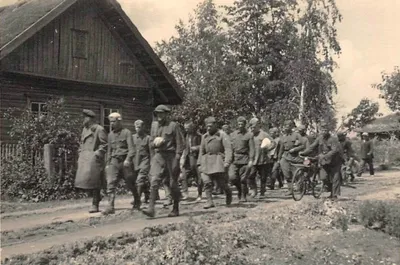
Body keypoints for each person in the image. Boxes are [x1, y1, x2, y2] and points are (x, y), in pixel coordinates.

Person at [143, 105, 185, 218]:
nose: (159, 116)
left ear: (167, 114)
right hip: (159, 155)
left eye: (162, 113)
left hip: (171, 156)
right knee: (154, 179)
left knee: (173, 183)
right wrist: (155, 143)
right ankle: (151, 209)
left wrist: (177, 158)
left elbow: (180, 143)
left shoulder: (173, 126)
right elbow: (150, 143)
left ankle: (175, 208)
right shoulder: (154, 126)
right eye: (157, 114)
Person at [103, 113, 138, 215]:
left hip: (125, 161)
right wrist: (107, 163)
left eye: (114, 121)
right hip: (114, 161)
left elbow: (132, 149)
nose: (112, 124)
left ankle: (137, 200)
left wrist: (128, 160)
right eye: (111, 122)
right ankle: (110, 206)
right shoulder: (110, 135)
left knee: (130, 183)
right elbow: (109, 151)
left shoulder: (127, 133)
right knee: (110, 182)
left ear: (119, 121)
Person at [75, 109, 108, 213]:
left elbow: (105, 144)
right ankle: (99, 196)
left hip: (94, 159)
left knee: (95, 182)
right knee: (84, 182)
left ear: (90, 118)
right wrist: (80, 152)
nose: (83, 120)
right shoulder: (85, 129)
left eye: (84, 117)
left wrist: (98, 153)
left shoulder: (99, 129)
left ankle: (95, 204)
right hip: (85, 158)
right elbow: (81, 142)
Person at [300, 121, 342, 199]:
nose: (323, 132)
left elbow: (334, 150)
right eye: (322, 130)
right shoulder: (320, 138)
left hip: (335, 161)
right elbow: (312, 147)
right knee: (323, 177)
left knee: (335, 178)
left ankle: (334, 195)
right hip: (325, 161)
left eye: (325, 130)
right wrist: (303, 153)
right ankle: (330, 189)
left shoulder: (333, 139)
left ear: (328, 130)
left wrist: (325, 156)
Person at [198, 117, 233, 208]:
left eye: (210, 126)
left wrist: (227, 161)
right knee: (207, 182)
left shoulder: (222, 135)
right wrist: (199, 163)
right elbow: (201, 151)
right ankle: (210, 201)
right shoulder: (204, 136)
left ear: (215, 125)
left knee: (221, 183)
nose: (208, 128)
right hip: (206, 161)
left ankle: (228, 193)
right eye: (207, 126)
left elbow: (228, 149)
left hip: (218, 161)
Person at [229, 116, 255, 202]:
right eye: (239, 124)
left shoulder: (249, 135)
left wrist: (251, 160)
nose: (240, 125)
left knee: (243, 179)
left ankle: (243, 195)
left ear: (245, 125)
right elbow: (230, 148)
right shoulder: (233, 135)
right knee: (232, 177)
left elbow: (251, 148)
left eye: (242, 124)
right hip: (234, 159)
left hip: (245, 159)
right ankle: (240, 190)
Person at [248, 118, 275, 198]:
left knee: (263, 177)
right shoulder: (249, 134)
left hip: (263, 159)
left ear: (258, 126)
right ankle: (254, 190)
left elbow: (273, 143)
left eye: (254, 127)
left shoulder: (264, 134)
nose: (252, 129)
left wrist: (268, 148)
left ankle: (262, 191)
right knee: (250, 175)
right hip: (252, 159)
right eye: (251, 127)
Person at [278, 120, 306, 196]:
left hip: (295, 156)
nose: (286, 127)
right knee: (286, 174)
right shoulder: (283, 136)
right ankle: (290, 190)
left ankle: (301, 188)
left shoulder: (297, 135)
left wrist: (295, 149)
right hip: (285, 156)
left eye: (288, 125)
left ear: (291, 126)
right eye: (285, 125)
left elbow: (303, 145)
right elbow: (281, 148)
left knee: (297, 174)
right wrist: (279, 159)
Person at [180, 120, 203, 201]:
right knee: (184, 176)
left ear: (192, 128)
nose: (186, 130)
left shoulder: (198, 136)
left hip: (196, 158)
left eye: (188, 128)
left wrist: (196, 148)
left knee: (198, 177)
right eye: (185, 128)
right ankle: (185, 194)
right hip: (187, 158)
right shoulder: (185, 136)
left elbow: (203, 146)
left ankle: (199, 194)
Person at [132, 120, 151, 206]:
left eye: (139, 127)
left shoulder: (148, 138)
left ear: (143, 127)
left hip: (145, 161)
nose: (137, 129)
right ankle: (147, 195)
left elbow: (151, 152)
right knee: (140, 180)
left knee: (140, 179)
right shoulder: (132, 138)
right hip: (135, 161)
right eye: (136, 127)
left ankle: (137, 200)